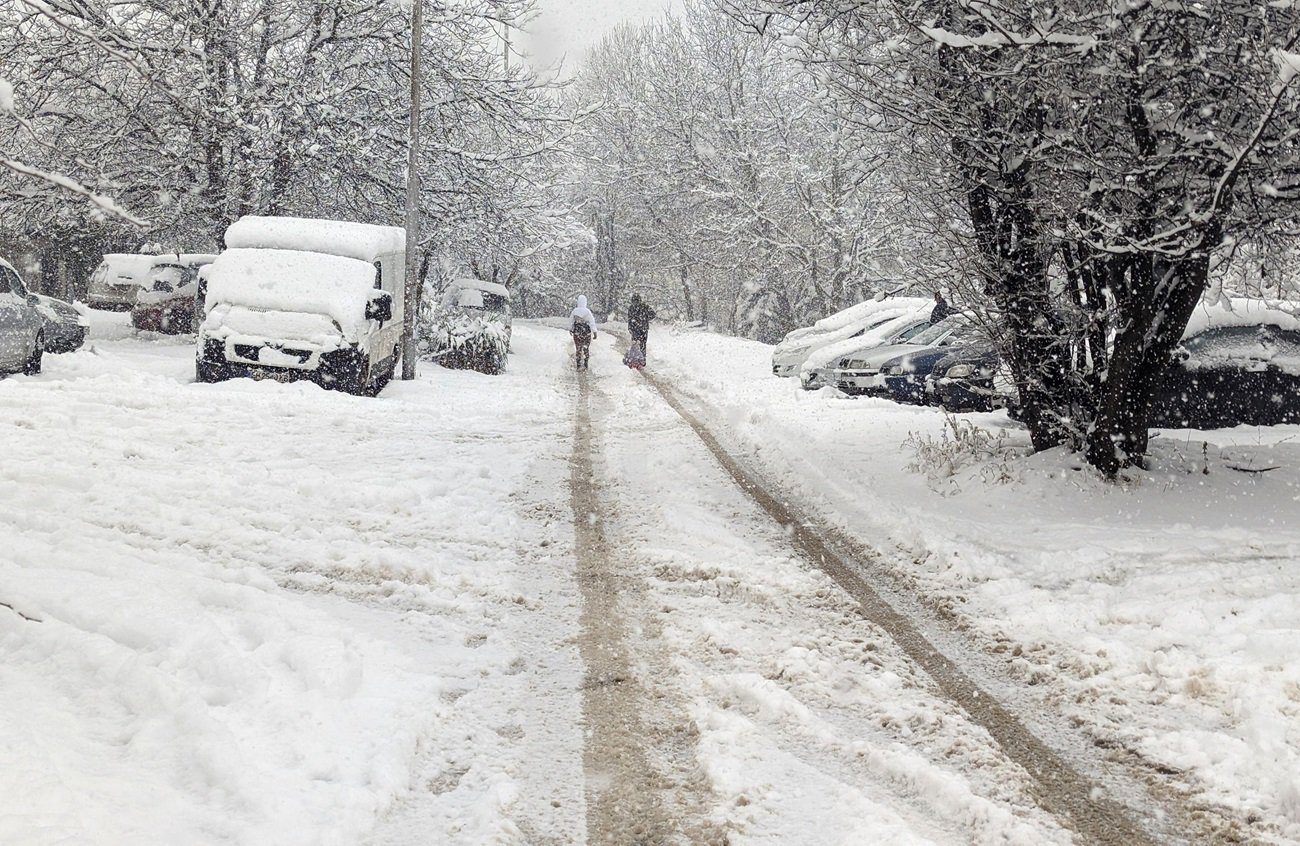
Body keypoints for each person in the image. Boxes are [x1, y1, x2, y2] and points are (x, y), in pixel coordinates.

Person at [570, 294, 598, 370]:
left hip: (577, 333)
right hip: (586, 333)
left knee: (578, 348)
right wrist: (594, 332)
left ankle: (578, 364)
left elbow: (571, 321)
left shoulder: (574, 311)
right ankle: (586, 363)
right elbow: (592, 322)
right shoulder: (587, 312)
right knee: (586, 348)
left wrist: (570, 329)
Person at [627, 293, 656, 361]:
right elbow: (653, 314)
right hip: (643, 328)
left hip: (636, 328)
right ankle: (642, 358)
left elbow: (629, 319)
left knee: (636, 343)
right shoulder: (645, 306)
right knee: (642, 344)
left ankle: (636, 358)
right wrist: (645, 319)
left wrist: (630, 327)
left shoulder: (632, 307)